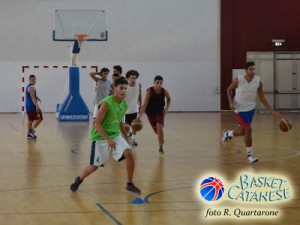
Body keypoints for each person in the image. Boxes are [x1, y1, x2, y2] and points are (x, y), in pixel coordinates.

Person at [70, 77, 141, 194]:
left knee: (129, 153)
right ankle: (79, 179)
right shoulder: (107, 103)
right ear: (114, 88)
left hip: (115, 135)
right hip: (100, 137)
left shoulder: (124, 104)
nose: (123, 91)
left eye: (125, 88)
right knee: (94, 167)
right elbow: (96, 124)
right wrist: (108, 140)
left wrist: (126, 140)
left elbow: (119, 122)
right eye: (121, 88)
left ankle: (129, 184)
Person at [221, 61, 279, 163]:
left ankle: (227, 134)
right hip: (239, 108)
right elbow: (228, 90)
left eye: (254, 69)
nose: (253, 71)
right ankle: (250, 155)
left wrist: (271, 110)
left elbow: (262, 97)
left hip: (250, 108)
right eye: (251, 69)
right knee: (248, 129)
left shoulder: (258, 81)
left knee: (242, 132)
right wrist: (230, 102)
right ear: (246, 70)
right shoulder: (238, 80)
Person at [139, 75, 171, 154]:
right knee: (156, 131)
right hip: (150, 113)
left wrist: (166, 109)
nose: (159, 84)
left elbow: (169, 99)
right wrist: (139, 117)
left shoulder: (164, 91)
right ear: (154, 83)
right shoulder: (150, 91)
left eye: (161, 83)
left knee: (159, 126)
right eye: (157, 83)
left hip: (160, 112)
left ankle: (161, 146)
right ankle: (160, 138)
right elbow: (144, 105)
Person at [125, 70, 142, 146]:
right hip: (125, 110)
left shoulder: (138, 85)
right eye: (132, 78)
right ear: (128, 78)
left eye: (134, 78)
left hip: (135, 109)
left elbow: (140, 95)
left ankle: (133, 139)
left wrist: (141, 104)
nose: (133, 80)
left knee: (134, 126)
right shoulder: (125, 86)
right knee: (127, 127)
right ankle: (127, 138)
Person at [25, 74, 43, 139]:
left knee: (31, 120)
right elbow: (32, 98)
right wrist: (37, 106)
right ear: (29, 80)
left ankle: (29, 134)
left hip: (29, 105)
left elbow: (32, 96)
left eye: (35, 79)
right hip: (31, 106)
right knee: (39, 118)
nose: (34, 81)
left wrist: (37, 97)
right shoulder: (31, 88)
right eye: (32, 80)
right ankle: (31, 131)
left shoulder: (29, 86)